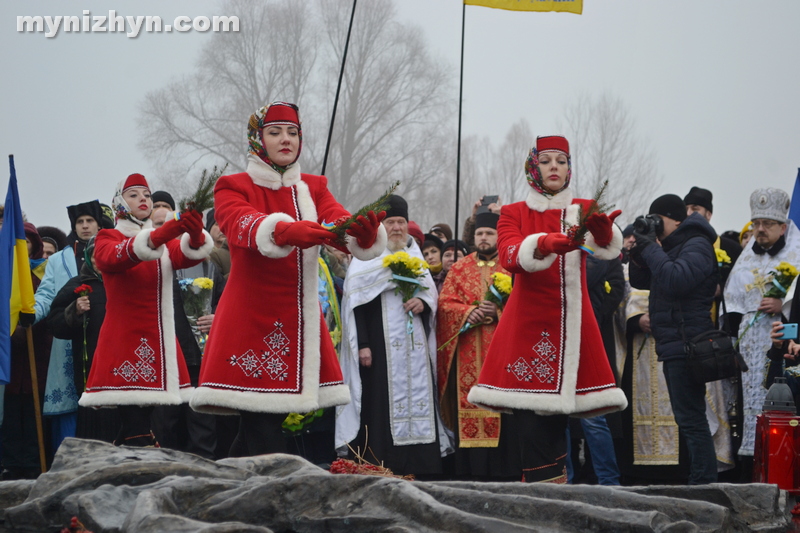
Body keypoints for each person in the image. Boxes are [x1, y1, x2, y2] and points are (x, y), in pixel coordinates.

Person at [190, 102, 386, 457]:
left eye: (293, 132)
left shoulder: (314, 187)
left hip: (298, 323)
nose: (286, 139)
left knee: (260, 427)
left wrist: (363, 236)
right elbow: (239, 224)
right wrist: (283, 229)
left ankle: (229, 492)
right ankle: (270, 498)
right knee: (261, 424)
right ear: (257, 139)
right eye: (275, 132)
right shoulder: (232, 185)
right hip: (249, 320)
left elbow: (337, 223)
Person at [467, 135, 627, 483]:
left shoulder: (583, 208)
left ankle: (550, 498)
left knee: (557, 427)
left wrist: (603, 234)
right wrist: (542, 243)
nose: (555, 167)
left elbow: (609, 249)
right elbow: (509, 255)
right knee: (531, 425)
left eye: (562, 160)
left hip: (572, 330)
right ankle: (544, 498)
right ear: (533, 167)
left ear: (569, 167)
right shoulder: (513, 213)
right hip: (527, 330)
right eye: (546, 161)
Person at [78, 173, 213, 447]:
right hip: (124, 341)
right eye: (134, 194)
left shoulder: (161, 244)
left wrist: (195, 230)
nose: (143, 199)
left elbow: (187, 253)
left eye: (147, 194)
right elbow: (114, 257)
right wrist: (165, 231)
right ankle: (139, 472)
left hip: (158, 342)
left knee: (140, 422)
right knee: (136, 423)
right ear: (119, 202)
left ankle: (123, 471)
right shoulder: (108, 236)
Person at [337, 194, 452, 477]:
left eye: (401, 222)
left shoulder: (415, 257)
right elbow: (356, 306)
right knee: (379, 403)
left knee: (419, 401)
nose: (397, 228)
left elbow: (431, 298)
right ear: (381, 226)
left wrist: (423, 303)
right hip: (378, 349)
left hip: (415, 352)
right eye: (391, 222)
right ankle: (383, 463)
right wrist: (363, 345)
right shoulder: (365, 260)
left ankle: (420, 465)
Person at [629, 194, 718, 485]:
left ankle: (704, 485)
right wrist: (640, 249)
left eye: (659, 220)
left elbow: (676, 279)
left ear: (677, 220)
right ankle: (701, 481)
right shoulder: (671, 246)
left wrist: (650, 247)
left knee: (691, 420)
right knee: (687, 418)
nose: (655, 225)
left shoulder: (698, 244)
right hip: (675, 344)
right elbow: (641, 281)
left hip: (689, 343)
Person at [436, 211, 519, 480]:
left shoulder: (511, 267)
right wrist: (465, 313)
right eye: (479, 234)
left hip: (502, 356)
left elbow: (524, 307)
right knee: (470, 409)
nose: (483, 238)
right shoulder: (460, 268)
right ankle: (470, 477)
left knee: (505, 414)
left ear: (498, 236)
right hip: (467, 358)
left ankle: (505, 476)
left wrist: (499, 312)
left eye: (489, 233)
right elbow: (445, 304)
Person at [723, 188, 800, 476]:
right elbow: (732, 301)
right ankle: (748, 468)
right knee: (746, 406)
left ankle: (781, 467)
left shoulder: (797, 254)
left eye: (767, 224)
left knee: (781, 400)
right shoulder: (747, 257)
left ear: (783, 226)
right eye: (756, 224)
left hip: (782, 342)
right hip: (749, 343)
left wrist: (783, 303)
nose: (759, 230)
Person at [33, 200, 103, 451]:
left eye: (89, 221)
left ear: (98, 223)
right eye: (80, 222)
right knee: (68, 406)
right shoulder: (59, 259)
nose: (85, 226)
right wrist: (31, 312)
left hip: (100, 341)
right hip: (67, 343)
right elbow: (46, 295)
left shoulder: (110, 253)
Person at [47, 236, 119, 443]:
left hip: (123, 365)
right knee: (94, 426)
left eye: (102, 255)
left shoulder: (124, 281)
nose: (98, 260)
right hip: (90, 368)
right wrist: (74, 311)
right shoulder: (78, 284)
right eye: (93, 256)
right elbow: (55, 323)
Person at [2, 223, 52, 479]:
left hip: (37, 354)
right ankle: (11, 462)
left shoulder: (42, 274)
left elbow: (47, 302)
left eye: (28, 242)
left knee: (34, 411)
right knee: (10, 413)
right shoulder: (4, 273)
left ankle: (34, 462)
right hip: (9, 357)